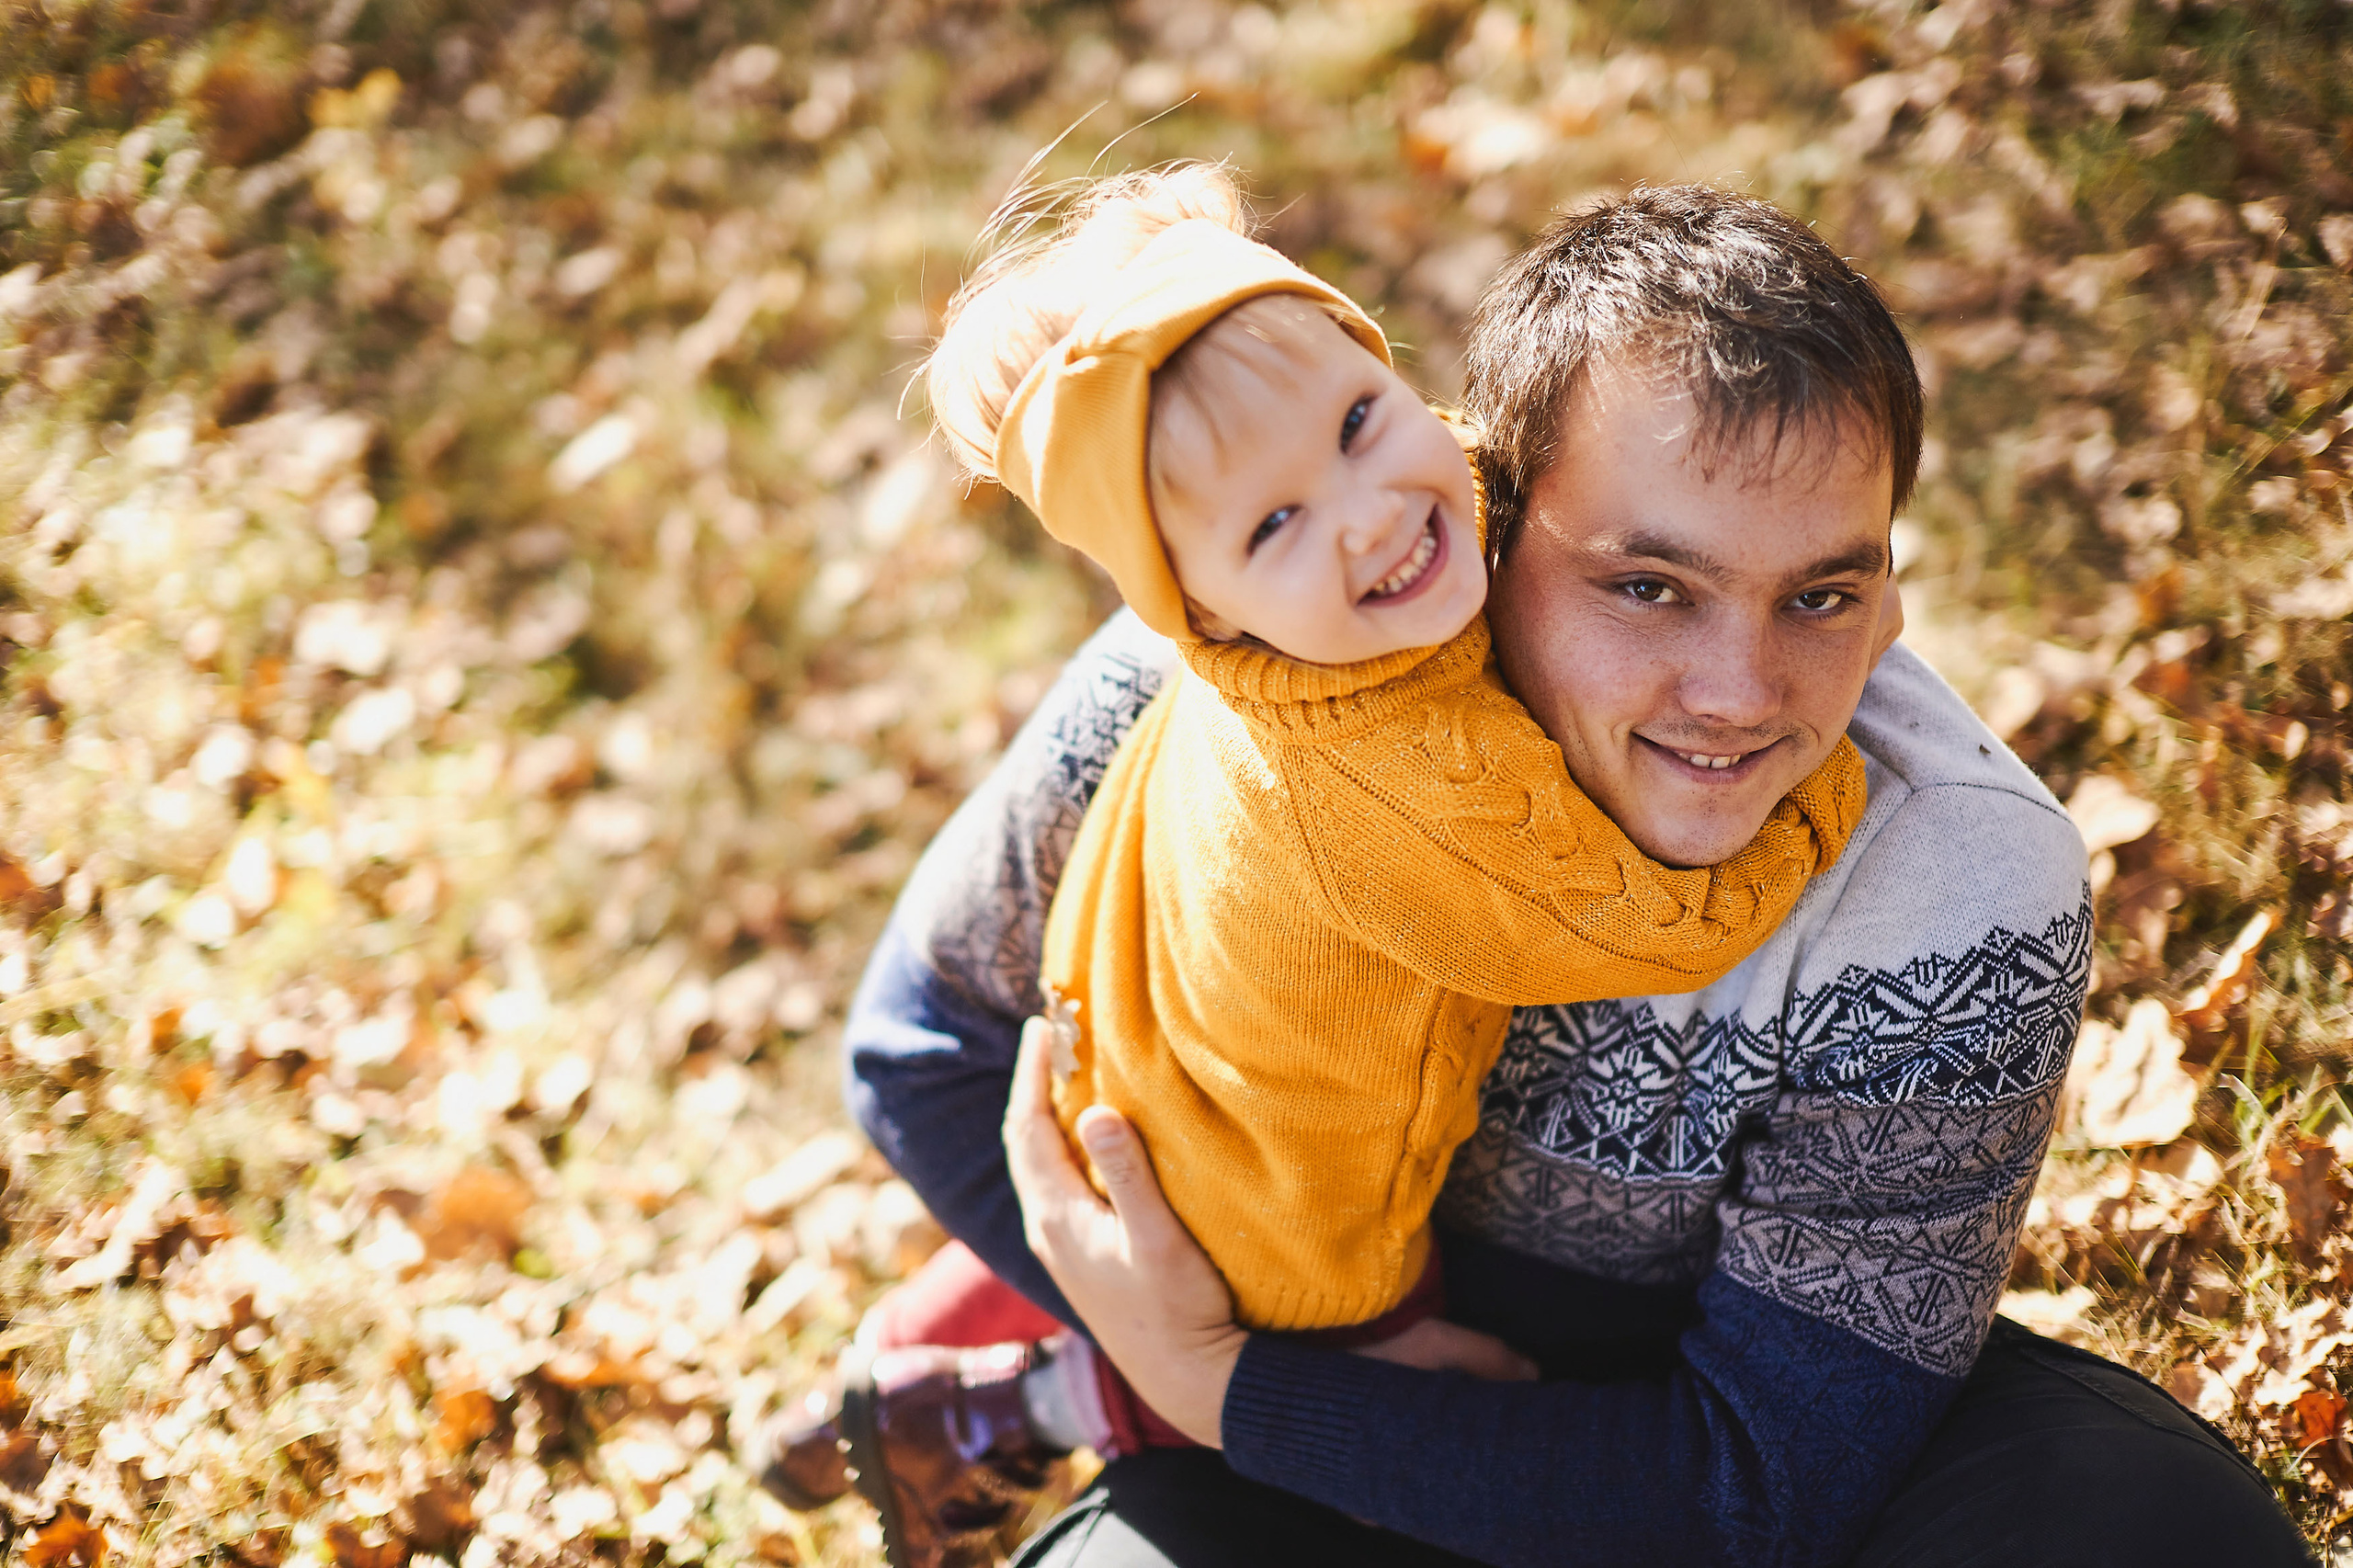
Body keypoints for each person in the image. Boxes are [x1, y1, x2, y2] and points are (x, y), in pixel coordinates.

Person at [822, 186, 2316, 1565]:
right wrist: (1187, 1348)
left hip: (1659, 1456)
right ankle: (994, 1375)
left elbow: (1749, 1481)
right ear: (1505, 502)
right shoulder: (1233, 657)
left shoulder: (1962, 883)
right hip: (1301, 1430)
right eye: (1645, 584)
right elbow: (918, 1043)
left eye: (1823, 594)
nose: (1739, 693)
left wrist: (1211, 1379)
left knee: (2150, 1525)